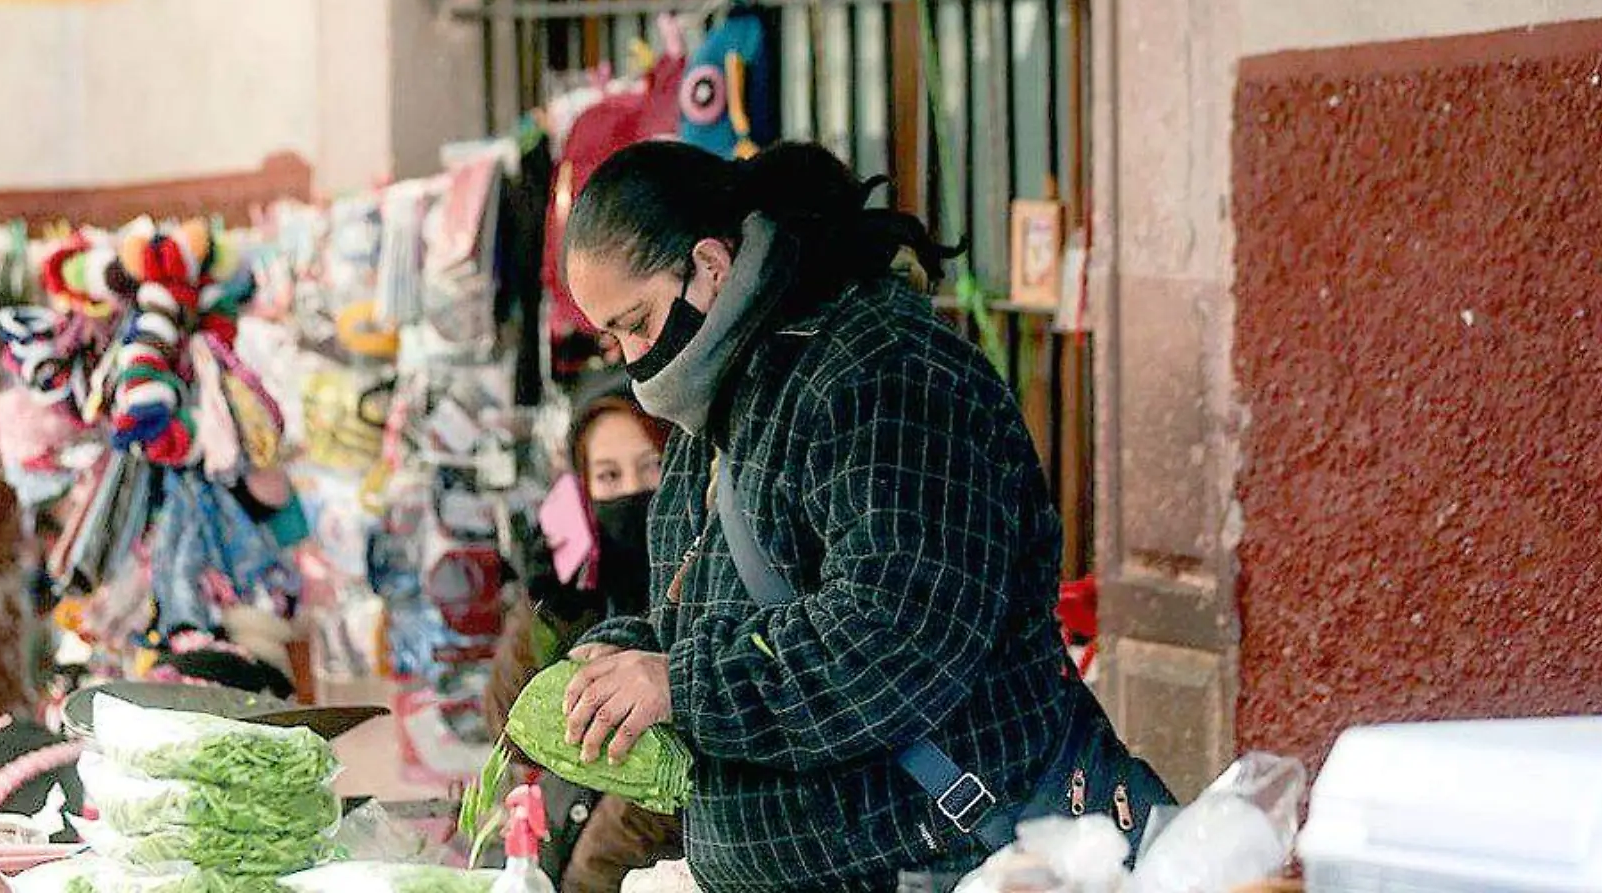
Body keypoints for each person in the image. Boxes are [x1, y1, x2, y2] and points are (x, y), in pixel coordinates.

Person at [555, 141, 1173, 893]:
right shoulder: (709, 413)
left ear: (711, 266)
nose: (631, 359)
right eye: (612, 338)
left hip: (965, 863)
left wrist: (679, 684)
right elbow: (697, 619)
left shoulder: (887, 374)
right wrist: (622, 659)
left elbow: (896, 638)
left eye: (637, 322)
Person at [485, 374, 685, 893]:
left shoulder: (703, 582)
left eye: (653, 467)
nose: (632, 493)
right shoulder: (590, 588)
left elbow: (659, 797)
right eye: (608, 477)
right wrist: (544, 610)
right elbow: (513, 734)